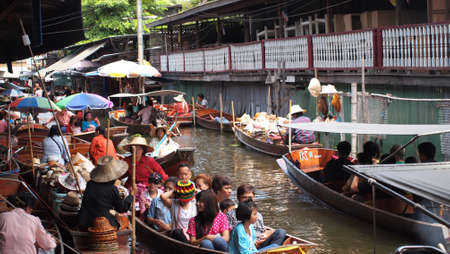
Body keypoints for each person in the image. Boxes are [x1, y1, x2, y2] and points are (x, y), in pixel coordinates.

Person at [79, 156, 135, 231]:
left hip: (85, 222)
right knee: (120, 222)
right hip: (104, 225)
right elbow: (122, 208)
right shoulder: (112, 189)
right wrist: (131, 195)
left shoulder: (90, 184)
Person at [227, 184, 286, 250]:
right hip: (244, 246)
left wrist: (265, 236)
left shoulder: (258, 215)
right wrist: (252, 241)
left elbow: (262, 231)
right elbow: (233, 235)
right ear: (238, 198)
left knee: (281, 232)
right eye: (244, 197)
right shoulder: (231, 215)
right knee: (275, 246)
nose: (248, 200)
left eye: (250, 198)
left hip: (258, 243)